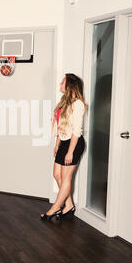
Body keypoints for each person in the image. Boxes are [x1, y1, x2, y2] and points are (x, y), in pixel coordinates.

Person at [41, 73, 87, 220]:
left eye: (62, 83)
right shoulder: (64, 101)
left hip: (74, 143)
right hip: (63, 141)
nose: (60, 85)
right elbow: (61, 126)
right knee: (57, 174)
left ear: (69, 86)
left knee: (66, 178)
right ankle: (69, 205)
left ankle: (55, 208)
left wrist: (70, 152)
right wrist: (57, 145)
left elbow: (76, 131)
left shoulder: (78, 104)